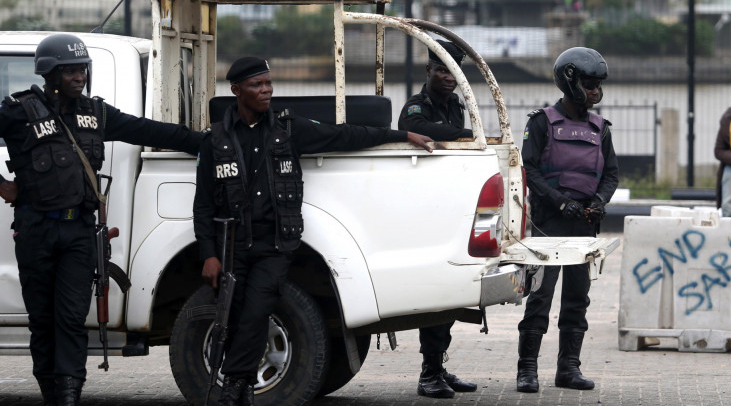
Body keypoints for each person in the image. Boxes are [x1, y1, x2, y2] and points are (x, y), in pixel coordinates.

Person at [193, 57, 432, 406]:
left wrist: (402, 134)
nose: (266, 90)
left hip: (275, 245)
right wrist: (208, 254)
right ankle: (243, 387)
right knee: (233, 313)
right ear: (236, 91)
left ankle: (231, 386)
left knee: (258, 310)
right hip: (232, 247)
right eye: (257, 85)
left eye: (268, 83)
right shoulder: (214, 141)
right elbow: (202, 206)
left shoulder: (288, 129)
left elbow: (344, 134)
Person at [0, 33, 205, 406]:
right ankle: (51, 391)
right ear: (51, 73)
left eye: (83, 69)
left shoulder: (95, 114)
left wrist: (207, 142)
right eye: (71, 70)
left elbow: (149, 130)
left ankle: (68, 395)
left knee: (71, 319)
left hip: (79, 232)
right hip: (35, 231)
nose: (79, 76)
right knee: (43, 322)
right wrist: (1, 185)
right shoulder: (17, 112)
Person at [515, 47, 619, 393]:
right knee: (541, 295)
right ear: (571, 82)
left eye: (598, 85)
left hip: (584, 225)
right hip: (549, 225)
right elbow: (528, 169)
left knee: (578, 298)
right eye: (589, 84)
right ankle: (527, 370)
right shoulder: (541, 122)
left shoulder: (600, 127)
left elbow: (611, 175)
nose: (595, 92)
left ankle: (568, 369)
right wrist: (561, 203)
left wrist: (599, 202)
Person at [397, 40, 477, 399]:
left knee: (449, 295)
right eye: (441, 69)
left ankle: (438, 369)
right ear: (428, 70)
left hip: (450, 206)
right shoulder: (416, 105)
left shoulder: (457, 104)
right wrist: (461, 135)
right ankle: (428, 373)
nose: (448, 77)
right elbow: (419, 129)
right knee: (433, 295)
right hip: (423, 209)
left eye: (453, 71)